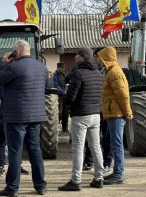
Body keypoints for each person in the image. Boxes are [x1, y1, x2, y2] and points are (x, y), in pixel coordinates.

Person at [0, 40, 47, 196]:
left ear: (16, 52)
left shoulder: (13, 66)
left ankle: (12, 188)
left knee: (15, 152)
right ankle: (40, 185)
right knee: (35, 150)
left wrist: (3, 62)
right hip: (36, 116)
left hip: (17, 116)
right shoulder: (42, 68)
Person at [58, 48, 104, 191]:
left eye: (77, 55)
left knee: (78, 149)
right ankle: (99, 178)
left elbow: (70, 98)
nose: (75, 57)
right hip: (96, 115)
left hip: (81, 115)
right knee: (96, 147)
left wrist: (63, 95)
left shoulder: (78, 74)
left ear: (83, 57)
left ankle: (75, 181)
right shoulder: (98, 74)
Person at [97, 46, 132, 185]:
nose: (98, 60)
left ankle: (118, 174)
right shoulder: (110, 71)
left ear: (106, 57)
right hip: (113, 113)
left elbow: (123, 95)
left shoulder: (114, 72)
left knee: (117, 145)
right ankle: (117, 171)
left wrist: (128, 112)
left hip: (116, 114)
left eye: (100, 57)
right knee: (115, 144)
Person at [83, 47, 113, 174]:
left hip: (106, 108)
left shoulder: (109, 71)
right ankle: (88, 161)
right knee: (91, 137)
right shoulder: (94, 70)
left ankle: (107, 162)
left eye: (96, 57)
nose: (95, 59)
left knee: (106, 137)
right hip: (94, 108)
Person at [53, 62, 69, 133]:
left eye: (64, 68)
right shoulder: (54, 76)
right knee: (59, 113)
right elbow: (56, 86)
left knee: (66, 114)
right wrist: (63, 92)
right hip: (58, 97)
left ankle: (65, 129)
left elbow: (67, 84)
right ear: (58, 68)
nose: (63, 69)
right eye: (62, 68)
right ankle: (56, 127)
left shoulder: (65, 75)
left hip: (65, 97)